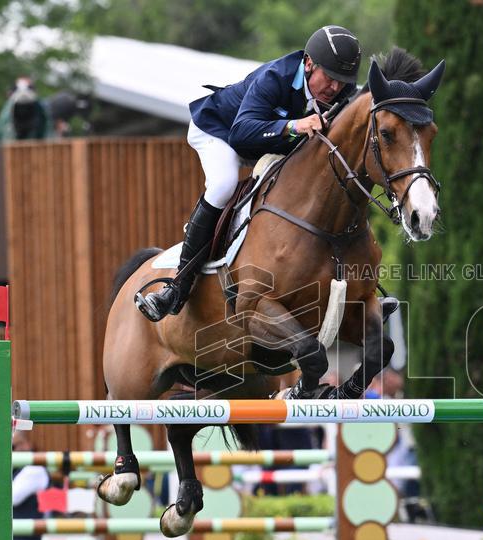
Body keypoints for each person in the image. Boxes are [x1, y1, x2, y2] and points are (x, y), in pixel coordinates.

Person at [137, 25, 362, 322]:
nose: (334, 88)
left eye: (342, 81)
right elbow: (241, 135)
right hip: (221, 130)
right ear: (309, 63)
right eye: (330, 78)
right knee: (223, 185)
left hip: (270, 144)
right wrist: (294, 126)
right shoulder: (275, 77)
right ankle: (178, 286)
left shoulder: (341, 91)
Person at [0, 77, 53, 141]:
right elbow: (0, 131)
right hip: (15, 138)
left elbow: (45, 128)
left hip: (34, 137)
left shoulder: (39, 107)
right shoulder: (8, 109)